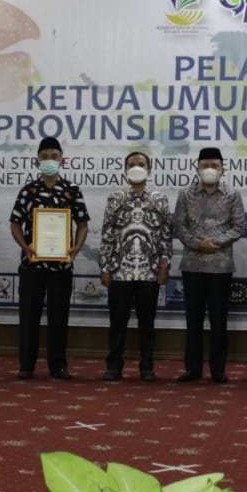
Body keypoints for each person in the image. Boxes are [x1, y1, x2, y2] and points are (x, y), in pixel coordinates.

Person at [10, 136, 89, 380]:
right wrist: (25, 247)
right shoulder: (28, 191)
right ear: (37, 162)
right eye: (44, 157)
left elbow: (82, 223)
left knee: (59, 316)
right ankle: (26, 365)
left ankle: (58, 365)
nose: (49, 161)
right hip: (32, 264)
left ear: (62, 161)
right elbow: (15, 223)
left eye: (54, 157)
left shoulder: (72, 190)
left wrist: (76, 248)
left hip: (61, 266)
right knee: (29, 316)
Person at [173, 146, 244, 383]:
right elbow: (180, 226)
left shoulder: (232, 194)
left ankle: (218, 370)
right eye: (205, 165)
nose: (210, 169)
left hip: (220, 266)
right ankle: (193, 369)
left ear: (223, 169)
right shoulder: (185, 194)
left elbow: (238, 227)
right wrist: (197, 244)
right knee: (193, 320)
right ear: (197, 169)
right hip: (192, 265)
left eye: (214, 165)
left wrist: (214, 242)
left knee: (218, 319)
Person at [99, 150, 171, 381]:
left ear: (149, 170)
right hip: (120, 271)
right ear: (125, 170)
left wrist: (164, 266)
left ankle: (147, 367)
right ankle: (114, 367)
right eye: (132, 164)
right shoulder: (115, 198)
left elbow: (166, 236)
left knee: (147, 324)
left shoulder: (160, 199)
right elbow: (107, 235)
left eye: (141, 164)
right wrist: (105, 267)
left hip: (150, 272)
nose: (136, 167)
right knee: (117, 323)